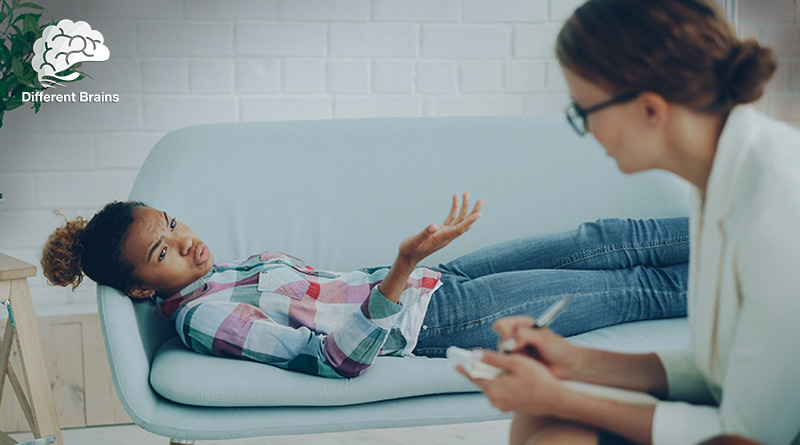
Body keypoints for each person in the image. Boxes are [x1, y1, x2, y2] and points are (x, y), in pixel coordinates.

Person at [459, 1, 800, 444]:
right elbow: (716, 370)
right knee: (537, 415)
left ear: (651, 110)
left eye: (583, 110)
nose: (586, 130)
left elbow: (751, 435)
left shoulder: (779, 199)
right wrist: (571, 361)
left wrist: (559, 397)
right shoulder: (718, 175)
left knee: (557, 431)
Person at [41, 192, 688, 379]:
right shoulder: (204, 319)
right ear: (139, 290)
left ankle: (740, 227)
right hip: (432, 318)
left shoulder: (217, 272)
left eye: (173, 223)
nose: (186, 240)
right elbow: (334, 360)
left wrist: (409, 269)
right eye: (163, 249)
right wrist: (402, 271)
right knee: (634, 286)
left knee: (596, 238)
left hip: (434, 280)